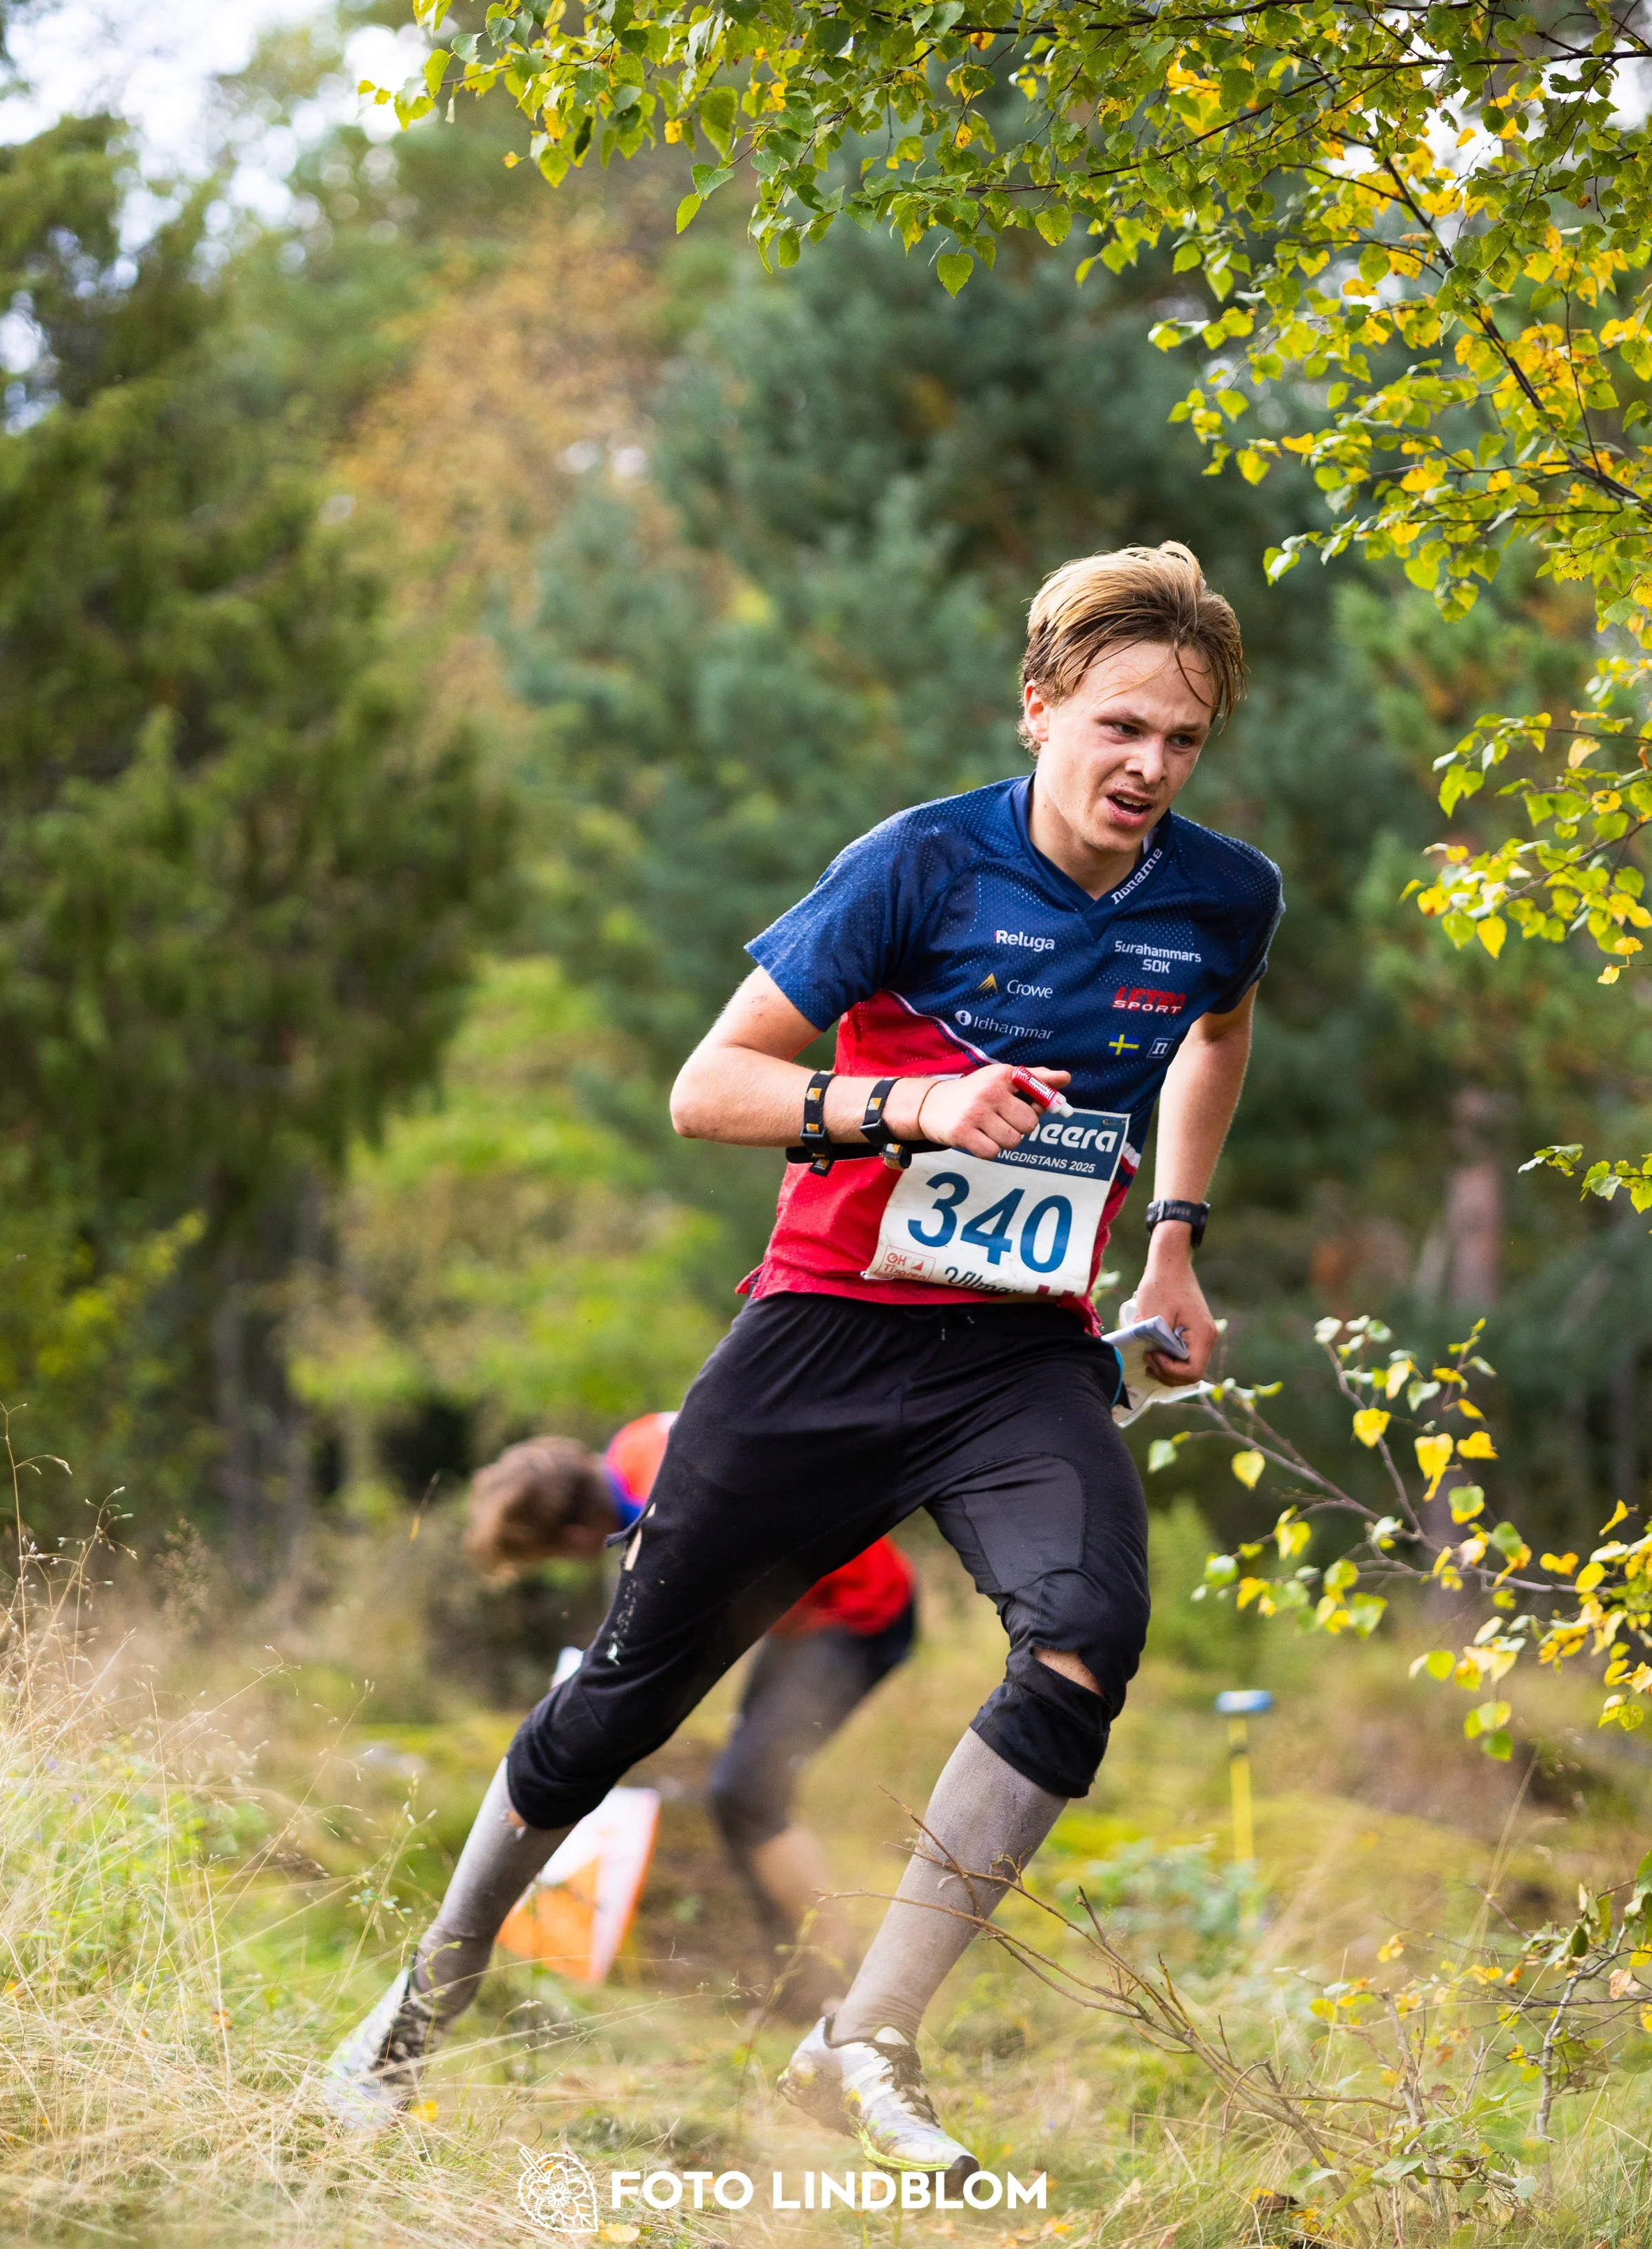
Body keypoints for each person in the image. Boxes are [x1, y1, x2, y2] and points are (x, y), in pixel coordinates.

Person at [324, 542, 1280, 2185]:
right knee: (624, 1701)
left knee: (1085, 1636)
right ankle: (432, 1984)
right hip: (823, 1337)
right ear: (1039, 706)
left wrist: (1175, 1234)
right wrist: (905, 1106)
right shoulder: (917, 866)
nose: (1148, 767)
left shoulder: (1220, 893)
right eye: (1119, 724)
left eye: (1182, 743)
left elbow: (1218, 1025)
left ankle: (870, 2041)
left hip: (1017, 1357)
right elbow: (709, 1087)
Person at [458, 1412, 917, 2014]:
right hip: (810, 1616)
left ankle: (844, 1990)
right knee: (740, 1799)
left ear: (573, 1537)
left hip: (859, 1612)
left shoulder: (671, 1528)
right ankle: (800, 1986)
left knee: (747, 1793)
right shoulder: (634, 1445)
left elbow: (680, 1638)